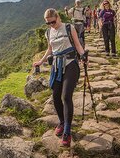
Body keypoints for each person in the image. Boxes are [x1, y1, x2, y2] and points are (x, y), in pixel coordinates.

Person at [33, 8, 87, 147]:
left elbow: (77, 45)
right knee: (55, 96)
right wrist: (41, 61)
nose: (51, 25)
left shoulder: (69, 27)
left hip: (70, 64)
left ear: (58, 17)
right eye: (48, 23)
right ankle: (62, 122)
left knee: (65, 96)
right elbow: (50, 49)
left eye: (52, 21)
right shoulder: (49, 32)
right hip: (57, 66)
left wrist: (83, 55)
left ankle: (67, 131)